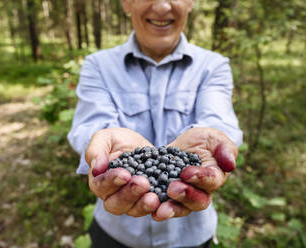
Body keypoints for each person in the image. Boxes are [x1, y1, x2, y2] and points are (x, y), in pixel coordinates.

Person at [68, 0, 243, 247]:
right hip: (115, 233)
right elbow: (90, 124)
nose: (162, 7)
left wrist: (213, 138)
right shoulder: (98, 65)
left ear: (191, 3)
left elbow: (218, 120)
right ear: (126, 3)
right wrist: (102, 143)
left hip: (191, 236)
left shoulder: (213, 66)